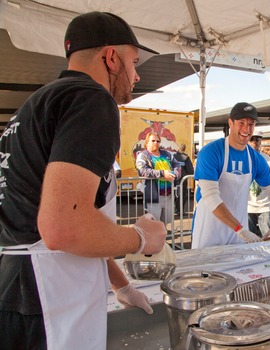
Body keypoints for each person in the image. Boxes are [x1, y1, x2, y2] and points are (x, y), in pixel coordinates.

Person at [0, 12, 167, 350]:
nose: (136, 76)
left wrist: (120, 285)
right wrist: (140, 239)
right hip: (48, 297)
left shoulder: (36, 104)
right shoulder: (92, 100)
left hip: (20, 286)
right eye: (134, 62)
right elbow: (63, 227)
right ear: (111, 58)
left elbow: (75, 212)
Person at [191, 102, 270, 248]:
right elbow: (210, 196)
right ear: (230, 122)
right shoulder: (211, 152)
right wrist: (239, 229)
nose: (246, 129)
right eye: (241, 123)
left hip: (238, 231)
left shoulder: (255, 158)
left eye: (251, 124)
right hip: (210, 228)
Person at [136, 132, 181, 224]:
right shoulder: (143, 155)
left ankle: (164, 237)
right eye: (153, 141)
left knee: (166, 222)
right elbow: (143, 171)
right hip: (154, 196)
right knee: (153, 223)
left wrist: (174, 174)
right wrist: (162, 174)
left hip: (169, 195)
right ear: (147, 142)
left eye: (158, 141)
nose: (156, 143)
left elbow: (177, 165)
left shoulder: (167, 154)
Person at [247, 131, 270, 237]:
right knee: (247, 240)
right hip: (247, 206)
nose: (255, 142)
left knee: (269, 238)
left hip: (264, 206)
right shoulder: (242, 158)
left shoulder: (268, 161)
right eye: (252, 139)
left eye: (258, 139)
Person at [173, 143, 195, 216]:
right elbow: (190, 170)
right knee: (182, 194)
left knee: (173, 194)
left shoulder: (173, 156)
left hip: (173, 178)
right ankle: (179, 210)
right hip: (183, 179)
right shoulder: (185, 157)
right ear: (184, 149)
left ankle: (173, 210)